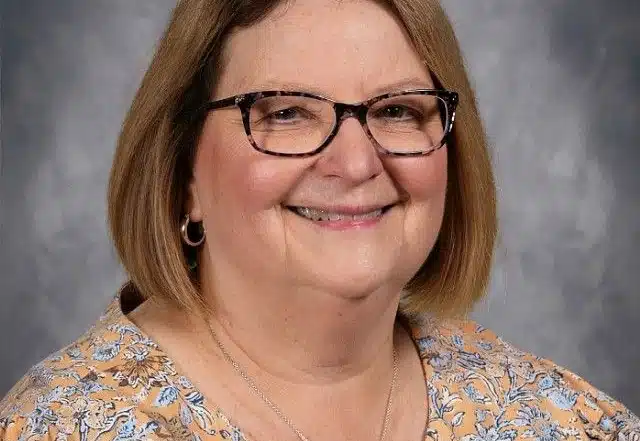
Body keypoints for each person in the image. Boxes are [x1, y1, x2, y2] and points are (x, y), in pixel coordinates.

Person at [1, 0, 638, 440]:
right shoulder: (64, 424)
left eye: (397, 111)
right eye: (286, 113)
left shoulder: (558, 418)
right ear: (183, 173)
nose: (357, 163)